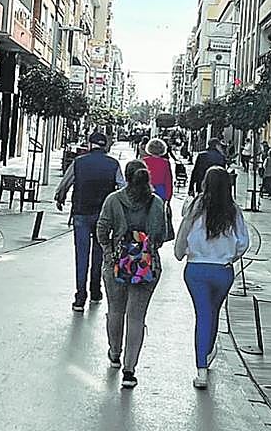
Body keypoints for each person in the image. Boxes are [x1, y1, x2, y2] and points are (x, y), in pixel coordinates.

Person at [175, 166, 249, 390]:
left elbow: (184, 230)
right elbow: (244, 242)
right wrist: (230, 256)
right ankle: (207, 352)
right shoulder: (233, 211)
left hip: (196, 270)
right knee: (212, 312)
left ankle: (202, 368)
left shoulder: (195, 206)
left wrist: (181, 252)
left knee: (203, 314)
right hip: (222, 272)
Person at [96, 160, 168, 390]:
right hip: (146, 268)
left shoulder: (113, 200)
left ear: (126, 177)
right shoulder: (156, 203)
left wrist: (109, 251)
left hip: (116, 263)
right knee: (136, 317)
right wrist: (145, 248)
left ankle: (114, 352)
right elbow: (161, 235)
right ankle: (130, 369)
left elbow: (101, 229)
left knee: (115, 310)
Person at [56, 131, 124, 312]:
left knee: (81, 255)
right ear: (105, 145)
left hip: (81, 213)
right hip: (104, 217)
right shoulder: (113, 164)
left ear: (89, 143)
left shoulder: (79, 162)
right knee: (99, 253)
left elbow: (65, 182)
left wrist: (60, 197)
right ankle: (95, 290)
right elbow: (122, 187)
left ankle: (80, 297)